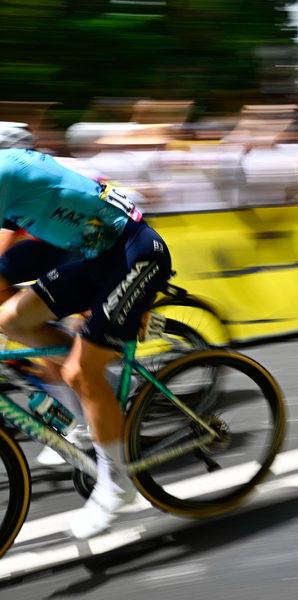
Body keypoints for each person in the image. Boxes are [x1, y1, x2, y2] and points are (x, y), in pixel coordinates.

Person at [0, 147, 172, 538]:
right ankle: (94, 395)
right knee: (11, 319)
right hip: (99, 256)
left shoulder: (3, 171)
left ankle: (118, 486)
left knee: (81, 370)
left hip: (136, 254)